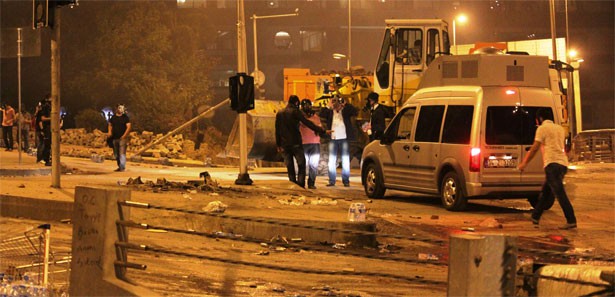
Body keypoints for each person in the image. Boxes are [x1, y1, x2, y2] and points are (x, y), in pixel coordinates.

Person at [517, 108, 577, 230]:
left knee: (560, 194)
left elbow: (534, 148)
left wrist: (524, 163)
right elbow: (563, 146)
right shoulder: (560, 129)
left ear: (540, 118)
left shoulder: (542, 129)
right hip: (562, 164)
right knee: (546, 192)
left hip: (552, 164)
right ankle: (535, 216)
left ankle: (571, 220)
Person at [275, 95, 328, 188]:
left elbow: (277, 130)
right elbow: (307, 123)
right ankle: (300, 184)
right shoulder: (295, 112)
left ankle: (292, 183)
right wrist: (321, 130)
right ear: (296, 103)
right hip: (296, 143)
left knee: (290, 166)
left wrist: (278, 144)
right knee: (301, 164)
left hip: (285, 144)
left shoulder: (280, 113)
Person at [319, 96, 358, 187]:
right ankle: (332, 181)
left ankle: (346, 181)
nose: (336, 105)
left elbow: (354, 111)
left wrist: (346, 103)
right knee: (332, 160)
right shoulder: (330, 112)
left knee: (345, 160)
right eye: (334, 102)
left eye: (338, 102)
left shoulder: (345, 111)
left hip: (344, 138)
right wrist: (329, 105)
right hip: (333, 138)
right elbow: (321, 113)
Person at [299, 99, 323, 189]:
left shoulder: (316, 117)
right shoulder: (300, 117)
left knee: (314, 165)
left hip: (315, 143)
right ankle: (301, 183)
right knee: (303, 165)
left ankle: (311, 183)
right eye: (305, 105)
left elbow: (319, 128)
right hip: (304, 143)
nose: (307, 107)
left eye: (308, 105)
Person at [107, 104, 131, 172]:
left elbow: (129, 127)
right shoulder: (113, 117)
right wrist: (109, 132)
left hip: (122, 138)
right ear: (117, 109)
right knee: (116, 154)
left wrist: (124, 135)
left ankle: (122, 167)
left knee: (122, 153)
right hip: (115, 138)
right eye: (119, 108)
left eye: (122, 108)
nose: (121, 109)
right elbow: (110, 125)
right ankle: (119, 166)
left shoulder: (125, 117)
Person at [39, 98, 52, 166]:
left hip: (50, 129)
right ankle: (45, 159)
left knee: (49, 145)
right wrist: (52, 118)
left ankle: (48, 159)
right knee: (46, 145)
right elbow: (42, 119)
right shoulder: (45, 107)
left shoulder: (51, 107)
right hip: (47, 129)